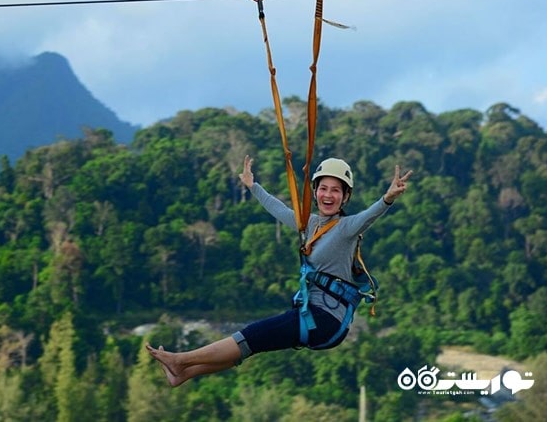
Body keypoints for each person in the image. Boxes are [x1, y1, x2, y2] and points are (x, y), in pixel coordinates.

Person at [146, 155, 412, 387]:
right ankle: (183, 374)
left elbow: (370, 216)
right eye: (323, 189)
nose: (328, 195)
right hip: (311, 313)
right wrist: (253, 186)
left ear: (345, 197)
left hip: (326, 319)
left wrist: (387, 198)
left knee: (252, 333)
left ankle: (181, 360)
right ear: (315, 191)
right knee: (253, 343)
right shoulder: (309, 223)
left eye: (336, 191)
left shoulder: (347, 228)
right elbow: (279, 209)